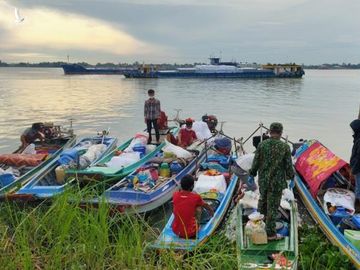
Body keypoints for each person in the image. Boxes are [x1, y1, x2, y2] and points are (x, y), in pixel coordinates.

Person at [248, 122, 294, 241]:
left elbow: (256, 162)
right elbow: (289, 166)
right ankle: (270, 234)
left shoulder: (262, 145)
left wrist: (252, 174)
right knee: (272, 208)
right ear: (281, 132)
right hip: (276, 183)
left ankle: (259, 225)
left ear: (269, 131)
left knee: (263, 201)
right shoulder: (285, 147)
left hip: (263, 181)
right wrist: (292, 177)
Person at [172, 174, 214, 238]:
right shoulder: (196, 197)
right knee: (199, 207)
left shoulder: (175, 195)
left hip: (176, 231)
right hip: (190, 233)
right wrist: (211, 211)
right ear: (192, 186)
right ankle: (198, 224)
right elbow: (205, 205)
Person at [350, 119, 360, 203]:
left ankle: (357, 203)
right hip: (357, 167)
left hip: (358, 168)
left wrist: (354, 169)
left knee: (358, 187)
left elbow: (358, 157)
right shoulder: (357, 138)